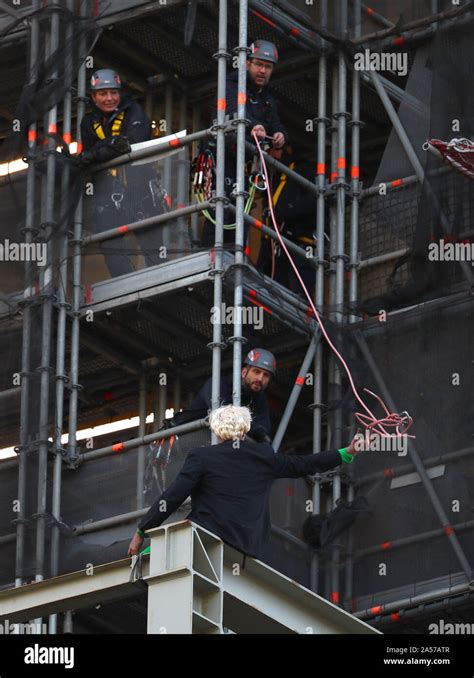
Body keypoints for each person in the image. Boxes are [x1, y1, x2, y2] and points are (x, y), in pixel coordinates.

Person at [128, 404, 360, 558]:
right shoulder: (264, 456)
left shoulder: (202, 456)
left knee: (157, 552)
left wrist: (143, 529)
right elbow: (303, 464)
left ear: (216, 430)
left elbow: (173, 496)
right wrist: (345, 452)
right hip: (247, 546)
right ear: (245, 428)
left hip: (206, 536)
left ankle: (148, 558)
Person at [78, 69, 168, 276]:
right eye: (103, 94)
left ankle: (161, 286)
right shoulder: (88, 123)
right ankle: (126, 289)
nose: (109, 98)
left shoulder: (134, 111)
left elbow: (130, 143)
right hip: (108, 195)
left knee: (153, 245)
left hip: (140, 191)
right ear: (93, 96)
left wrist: (100, 150)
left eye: (114, 93)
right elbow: (88, 158)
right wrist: (109, 146)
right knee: (111, 246)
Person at [200, 40, 288, 247]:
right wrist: (254, 127)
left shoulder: (267, 99)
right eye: (258, 64)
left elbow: (276, 123)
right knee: (219, 210)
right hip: (219, 160)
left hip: (243, 166)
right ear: (247, 64)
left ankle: (233, 262)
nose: (262, 71)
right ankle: (210, 258)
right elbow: (235, 114)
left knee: (241, 217)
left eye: (267, 67)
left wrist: (280, 136)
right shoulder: (231, 85)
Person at [171, 348, 276, 442]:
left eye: (266, 375)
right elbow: (226, 418)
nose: (260, 378)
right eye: (256, 372)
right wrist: (254, 431)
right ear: (244, 373)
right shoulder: (219, 384)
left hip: (209, 448)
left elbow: (263, 430)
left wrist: (258, 433)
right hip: (181, 442)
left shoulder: (260, 399)